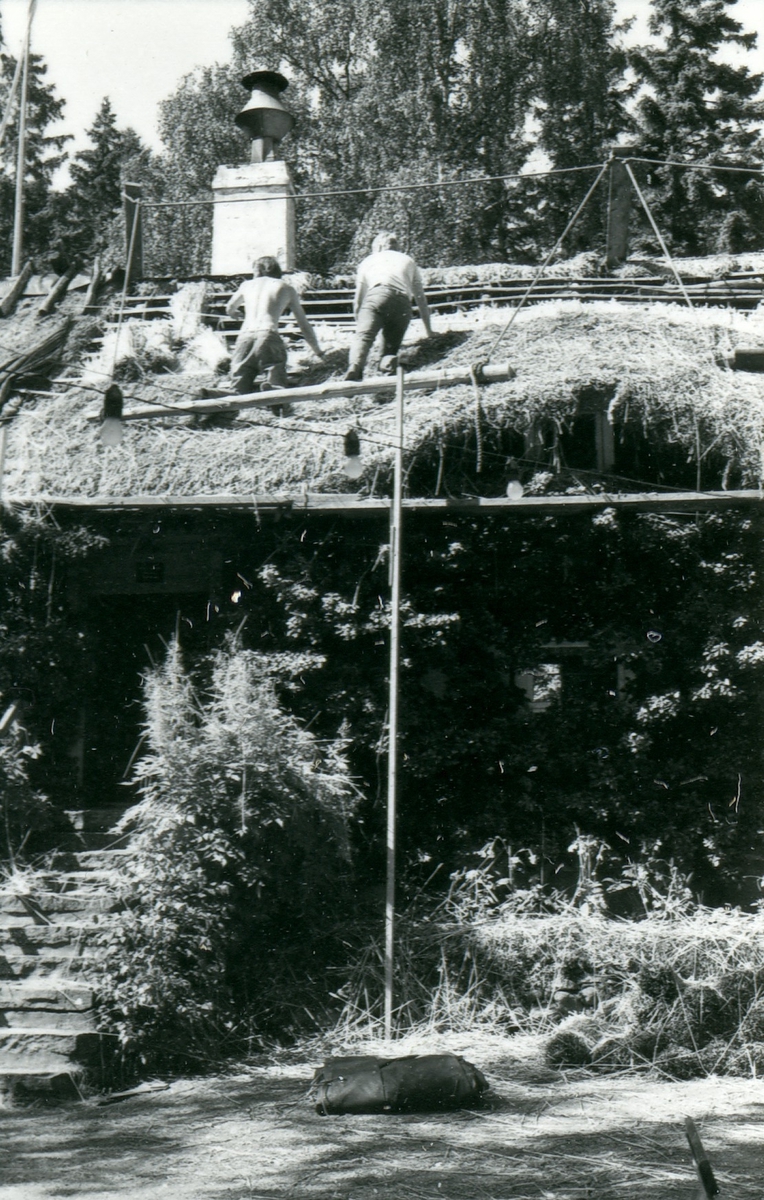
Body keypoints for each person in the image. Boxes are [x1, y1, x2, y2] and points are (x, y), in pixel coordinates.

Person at [226, 256, 324, 393]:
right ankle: (272, 390)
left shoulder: (246, 285)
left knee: (238, 384)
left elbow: (229, 308)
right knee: (275, 373)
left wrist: (236, 315)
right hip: (268, 334)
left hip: (245, 336)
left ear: (258, 270)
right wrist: (318, 351)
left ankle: (219, 397)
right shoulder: (286, 288)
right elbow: (304, 324)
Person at [345, 232, 433, 381]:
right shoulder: (408, 260)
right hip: (402, 302)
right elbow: (420, 298)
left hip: (376, 296)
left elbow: (358, 299)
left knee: (364, 337)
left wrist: (360, 322)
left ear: (378, 246)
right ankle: (386, 373)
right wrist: (429, 330)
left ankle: (355, 367)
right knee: (391, 345)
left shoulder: (368, 261)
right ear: (396, 245)